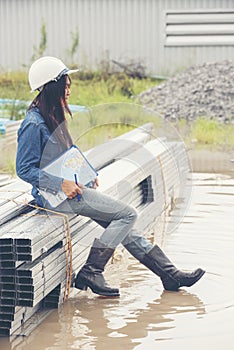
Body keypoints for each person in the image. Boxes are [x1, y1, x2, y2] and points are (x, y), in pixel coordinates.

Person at [16, 56, 205, 297]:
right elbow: (24, 168)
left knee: (125, 228)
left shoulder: (49, 114)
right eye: (66, 84)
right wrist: (61, 183)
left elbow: (64, 152)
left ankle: (168, 274)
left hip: (67, 190)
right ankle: (92, 271)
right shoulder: (33, 123)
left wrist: (85, 173)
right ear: (53, 86)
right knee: (127, 214)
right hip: (55, 198)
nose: (69, 89)